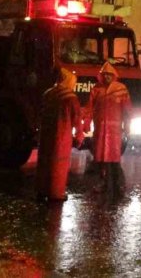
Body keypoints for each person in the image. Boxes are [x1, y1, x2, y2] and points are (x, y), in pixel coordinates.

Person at [36, 67, 85, 202]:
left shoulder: (48, 94)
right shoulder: (70, 97)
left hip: (46, 135)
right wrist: (79, 137)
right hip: (61, 137)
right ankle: (56, 193)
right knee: (58, 165)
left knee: (45, 162)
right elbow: (77, 120)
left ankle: (42, 190)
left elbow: (40, 114)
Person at [83, 61, 131, 194]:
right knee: (100, 159)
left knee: (114, 160)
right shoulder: (96, 89)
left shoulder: (121, 89)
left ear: (113, 75)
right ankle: (103, 183)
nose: (107, 77)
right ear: (101, 76)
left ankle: (117, 185)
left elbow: (127, 110)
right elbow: (89, 108)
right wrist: (86, 123)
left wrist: (127, 127)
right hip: (100, 130)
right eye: (104, 75)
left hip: (115, 132)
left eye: (109, 75)